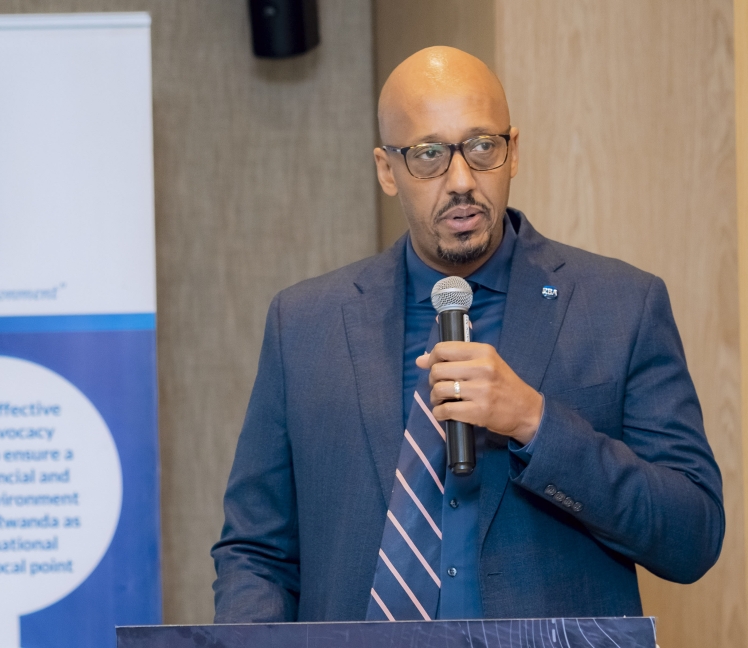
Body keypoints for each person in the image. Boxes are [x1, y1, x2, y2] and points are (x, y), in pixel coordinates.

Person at [211, 46, 724, 622]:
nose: (461, 180)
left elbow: (693, 536)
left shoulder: (621, 306)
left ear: (513, 153)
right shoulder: (305, 324)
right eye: (429, 155)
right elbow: (256, 554)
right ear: (387, 169)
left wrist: (535, 423)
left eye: (482, 147)